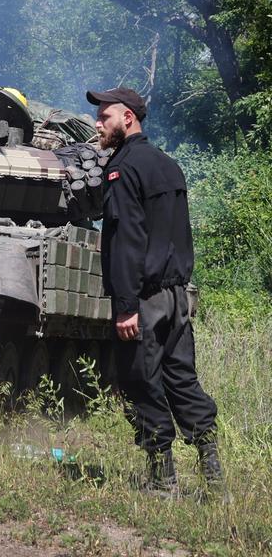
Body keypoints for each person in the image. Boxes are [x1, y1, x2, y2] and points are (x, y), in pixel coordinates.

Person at [86, 86, 223, 497]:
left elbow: (128, 240)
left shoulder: (123, 169)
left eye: (105, 116)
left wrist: (126, 306)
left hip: (145, 299)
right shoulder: (167, 164)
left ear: (127, 118)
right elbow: (180, 234)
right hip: (178, 295)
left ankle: (163, 483)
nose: (98, 124)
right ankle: (215, 481)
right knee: (182, 380)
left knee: (141, 381)